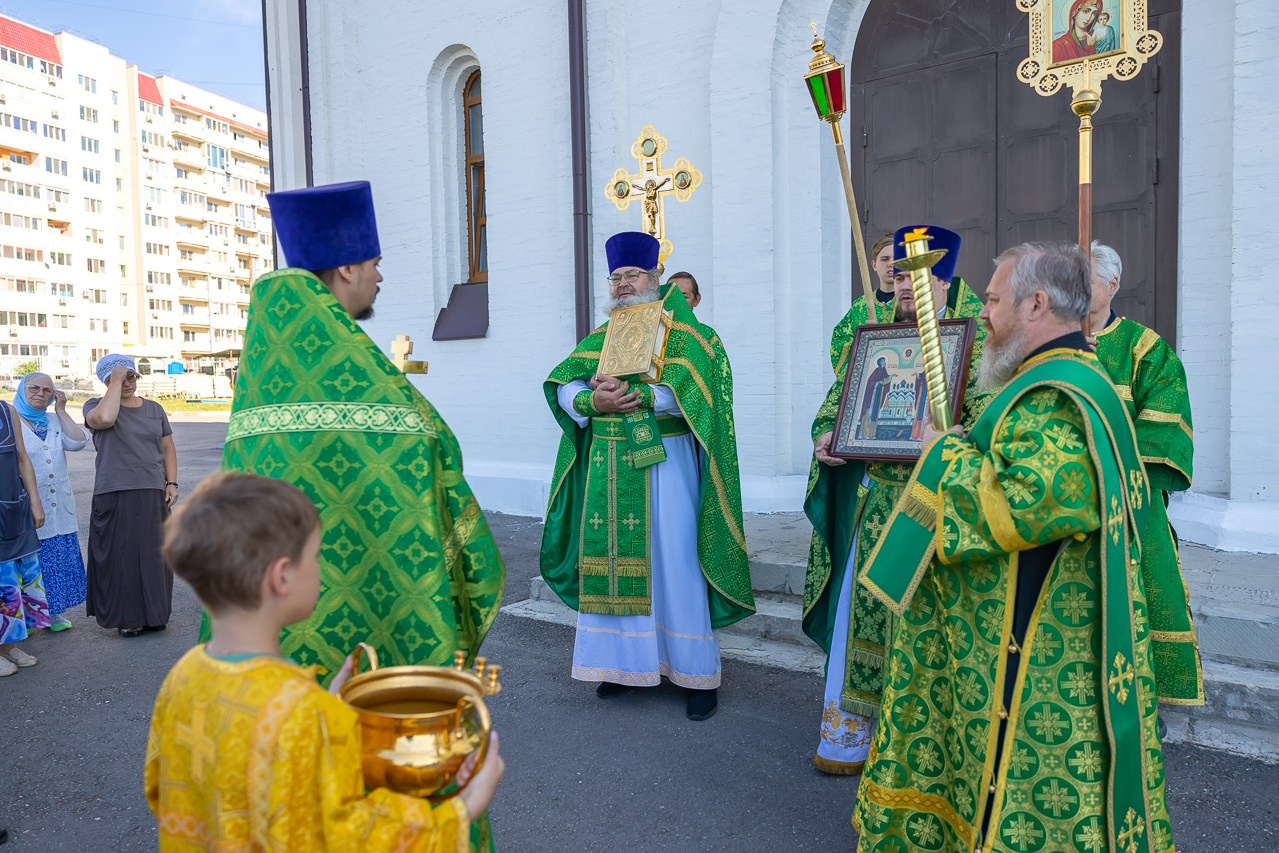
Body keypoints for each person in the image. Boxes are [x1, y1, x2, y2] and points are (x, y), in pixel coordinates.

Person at [852, 242, 1174, 853]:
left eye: (993, 300)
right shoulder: (1053, 379)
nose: (984, 314)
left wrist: (941, 454)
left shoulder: (1059, 394)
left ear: (1036, 304)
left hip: (1036, 649)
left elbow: (1027, 503)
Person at [213, 181, 504, 698]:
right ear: (348, 268)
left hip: (268, 616)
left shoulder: (264, 367)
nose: (380, 276)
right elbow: (436, 451)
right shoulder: (369, 383)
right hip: (379, 602)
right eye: (375, 263)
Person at [146, 471, 505, 849]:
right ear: (282, 576)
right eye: (314, 556)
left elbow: (161, 787)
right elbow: (348, 837)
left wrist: (327, 706)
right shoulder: (301, 712)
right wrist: (462, 809)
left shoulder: (182, 677)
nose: (319, 568)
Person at [541, 231, 754, 721]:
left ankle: (694, 674)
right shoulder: (603, 336)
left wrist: (639, 396)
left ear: (655, 276)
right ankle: (621, 666)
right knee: (614, 563)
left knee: (676, 563)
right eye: (615, 277)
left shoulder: (692, 335)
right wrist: (591, 400)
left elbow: (702, 395)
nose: (622, 284)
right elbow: (563, 383)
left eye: (632, 275)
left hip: (669, 463)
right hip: (609, 467)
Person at [803, 225, 989, 775]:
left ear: (946, 281)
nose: (907, 286)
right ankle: (852, 739)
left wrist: (952, 437)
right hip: (875, 503)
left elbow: (988, 417)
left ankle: (921, 747)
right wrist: (826, 437)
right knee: (862, 622)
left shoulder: (976, 342)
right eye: (902, 276)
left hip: (936, 508)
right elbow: (838, 403)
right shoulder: (875, 339)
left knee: (924, 629)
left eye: (921, 276)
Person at [1089, 241, 1202, 706]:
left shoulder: (1144, 348)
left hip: (1130, 499)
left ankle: (1144, 697)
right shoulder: (1049, 344)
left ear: (1112, 285)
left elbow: (1165, 423)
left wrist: (1111, 468)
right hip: (1064, 497)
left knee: (1139, 593)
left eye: (1084, 280)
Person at [83, 356, 177, 638]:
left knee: (154, 555)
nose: (127, 383)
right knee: (121, 557)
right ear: (106, 381)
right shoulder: (94, 406)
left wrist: (172, 483)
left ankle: (155, 615)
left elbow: (167, 447)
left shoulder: (154, 409)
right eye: (119, 378)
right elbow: (105, 419)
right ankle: (129, 618)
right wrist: (115, 380)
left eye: (131, 377)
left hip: (152, 490)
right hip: (114, 491)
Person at [13, 373, 88, 631]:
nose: (40, 393)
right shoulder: (11, 421)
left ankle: (53, 614)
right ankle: (28, 617)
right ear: (22, 390)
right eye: (34, 388)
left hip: (59, 506)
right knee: (28, 562)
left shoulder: (53, 420)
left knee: (56, 560)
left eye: (47, 390)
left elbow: (78, 442)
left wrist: (61, 410)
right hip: (27, 503)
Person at [0, 396, 48, 676]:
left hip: (13, 507)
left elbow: (22, 458)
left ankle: (8, 645)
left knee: (13, 579)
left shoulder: (7, 411)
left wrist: (35, 501)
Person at [828, 232, 897, 376]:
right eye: (884, 259)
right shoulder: (860, 306)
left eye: (897, 259)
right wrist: (864, 339)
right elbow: (840, 341)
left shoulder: (911, 302)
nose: (891, 264)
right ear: (874, 265)